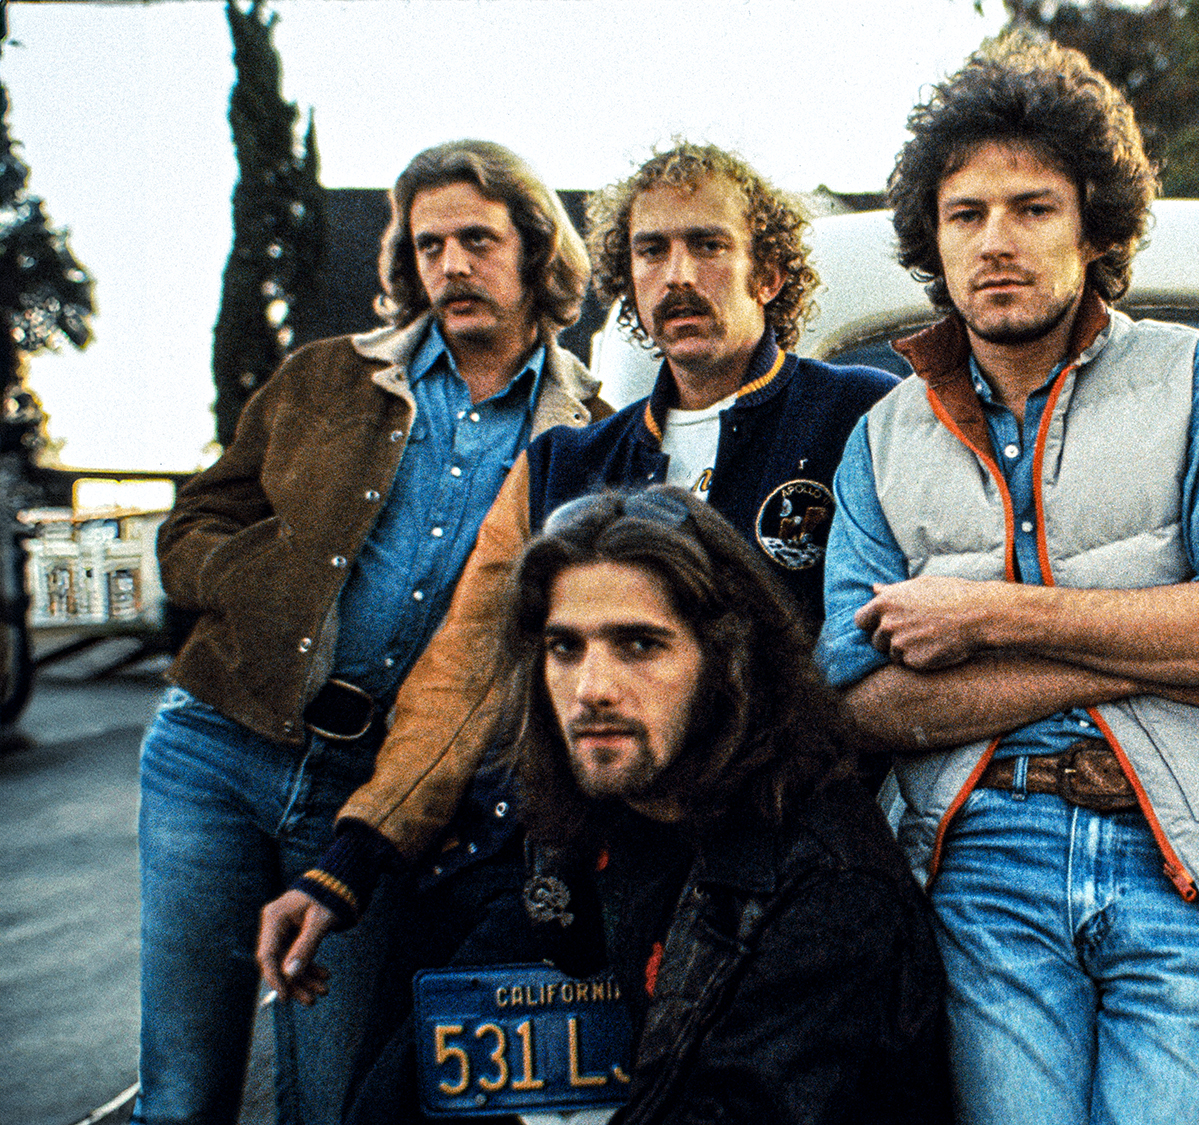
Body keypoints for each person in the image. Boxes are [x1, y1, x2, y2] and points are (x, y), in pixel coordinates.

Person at [254, 142, 897, 1112]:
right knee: (389, 1102)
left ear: (769, 270)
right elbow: (463, 674)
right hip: (584, 869)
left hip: (780, 884)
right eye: (650, 250)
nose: (677, 276)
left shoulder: (863, 418)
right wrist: (348, 863)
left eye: (707, 245)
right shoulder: (566, 460)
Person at [817, 35, 1199, 1125]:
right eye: (965, 214)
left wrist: (988, 615)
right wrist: (1158, 657)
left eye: (1033, 208)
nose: (996, 241)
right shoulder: (880, 440)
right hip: (982, 861)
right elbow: (858, 701)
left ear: (1094, 227)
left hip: (1188, 853)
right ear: (933, 239)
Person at [139, 139, 607, 1125]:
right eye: (430, 245)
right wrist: (250, 585)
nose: (451, 265)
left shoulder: (586, 431)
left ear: (534, 251)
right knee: (183, 1093)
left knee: (330, 1099)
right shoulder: (327, 376)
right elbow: (194, 525)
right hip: (215, 746)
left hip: (372, 787)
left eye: (477, 240)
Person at [499, 487, 949, 1123]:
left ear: (728, 661)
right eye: (565, 648)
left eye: (639, 645)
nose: (591, 689)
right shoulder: (606, 815)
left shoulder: (825, 894)